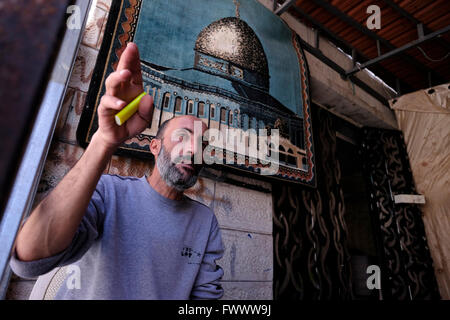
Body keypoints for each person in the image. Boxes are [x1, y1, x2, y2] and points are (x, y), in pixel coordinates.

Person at [9, 42, 224, 299]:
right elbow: (30, 258)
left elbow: (205, 298)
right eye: (182, 136)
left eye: (201, 143)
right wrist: (104, 140)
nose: (192, 149)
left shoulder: (205, 222)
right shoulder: (108, 194)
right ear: (154, 146)